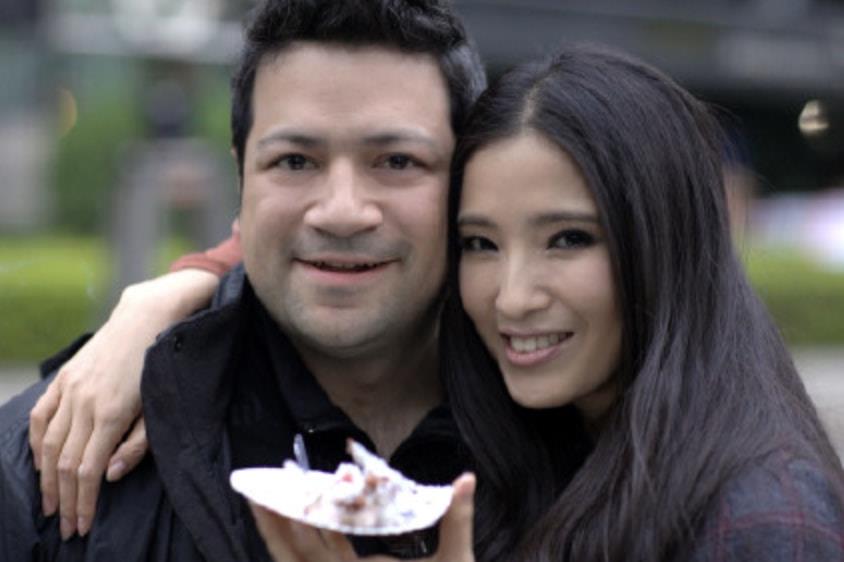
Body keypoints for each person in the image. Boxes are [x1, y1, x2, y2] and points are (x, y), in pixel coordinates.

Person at [250, 45, 844, 561]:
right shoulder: (541, 457)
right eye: (480, 244)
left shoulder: (765, 521)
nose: (513, 298)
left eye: (568, 239)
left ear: (664, 242)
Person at [0, 0, 487, 559]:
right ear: (241, 177)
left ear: (470, 179)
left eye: (397, 161)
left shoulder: (566, 431)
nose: (342, 212)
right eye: (295, 161)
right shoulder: (46, 464)